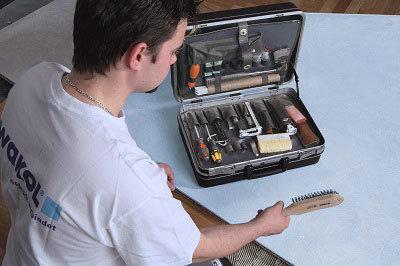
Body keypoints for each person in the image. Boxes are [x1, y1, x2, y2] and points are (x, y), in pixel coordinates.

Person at [0, 0, 290, 265]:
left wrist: (137, 181)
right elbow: (194, 248)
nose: (176, 60)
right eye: (174, 51)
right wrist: (260, 227)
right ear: (138, 55)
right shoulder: (127, 181)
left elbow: (73, 176)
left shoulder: (34, 79)